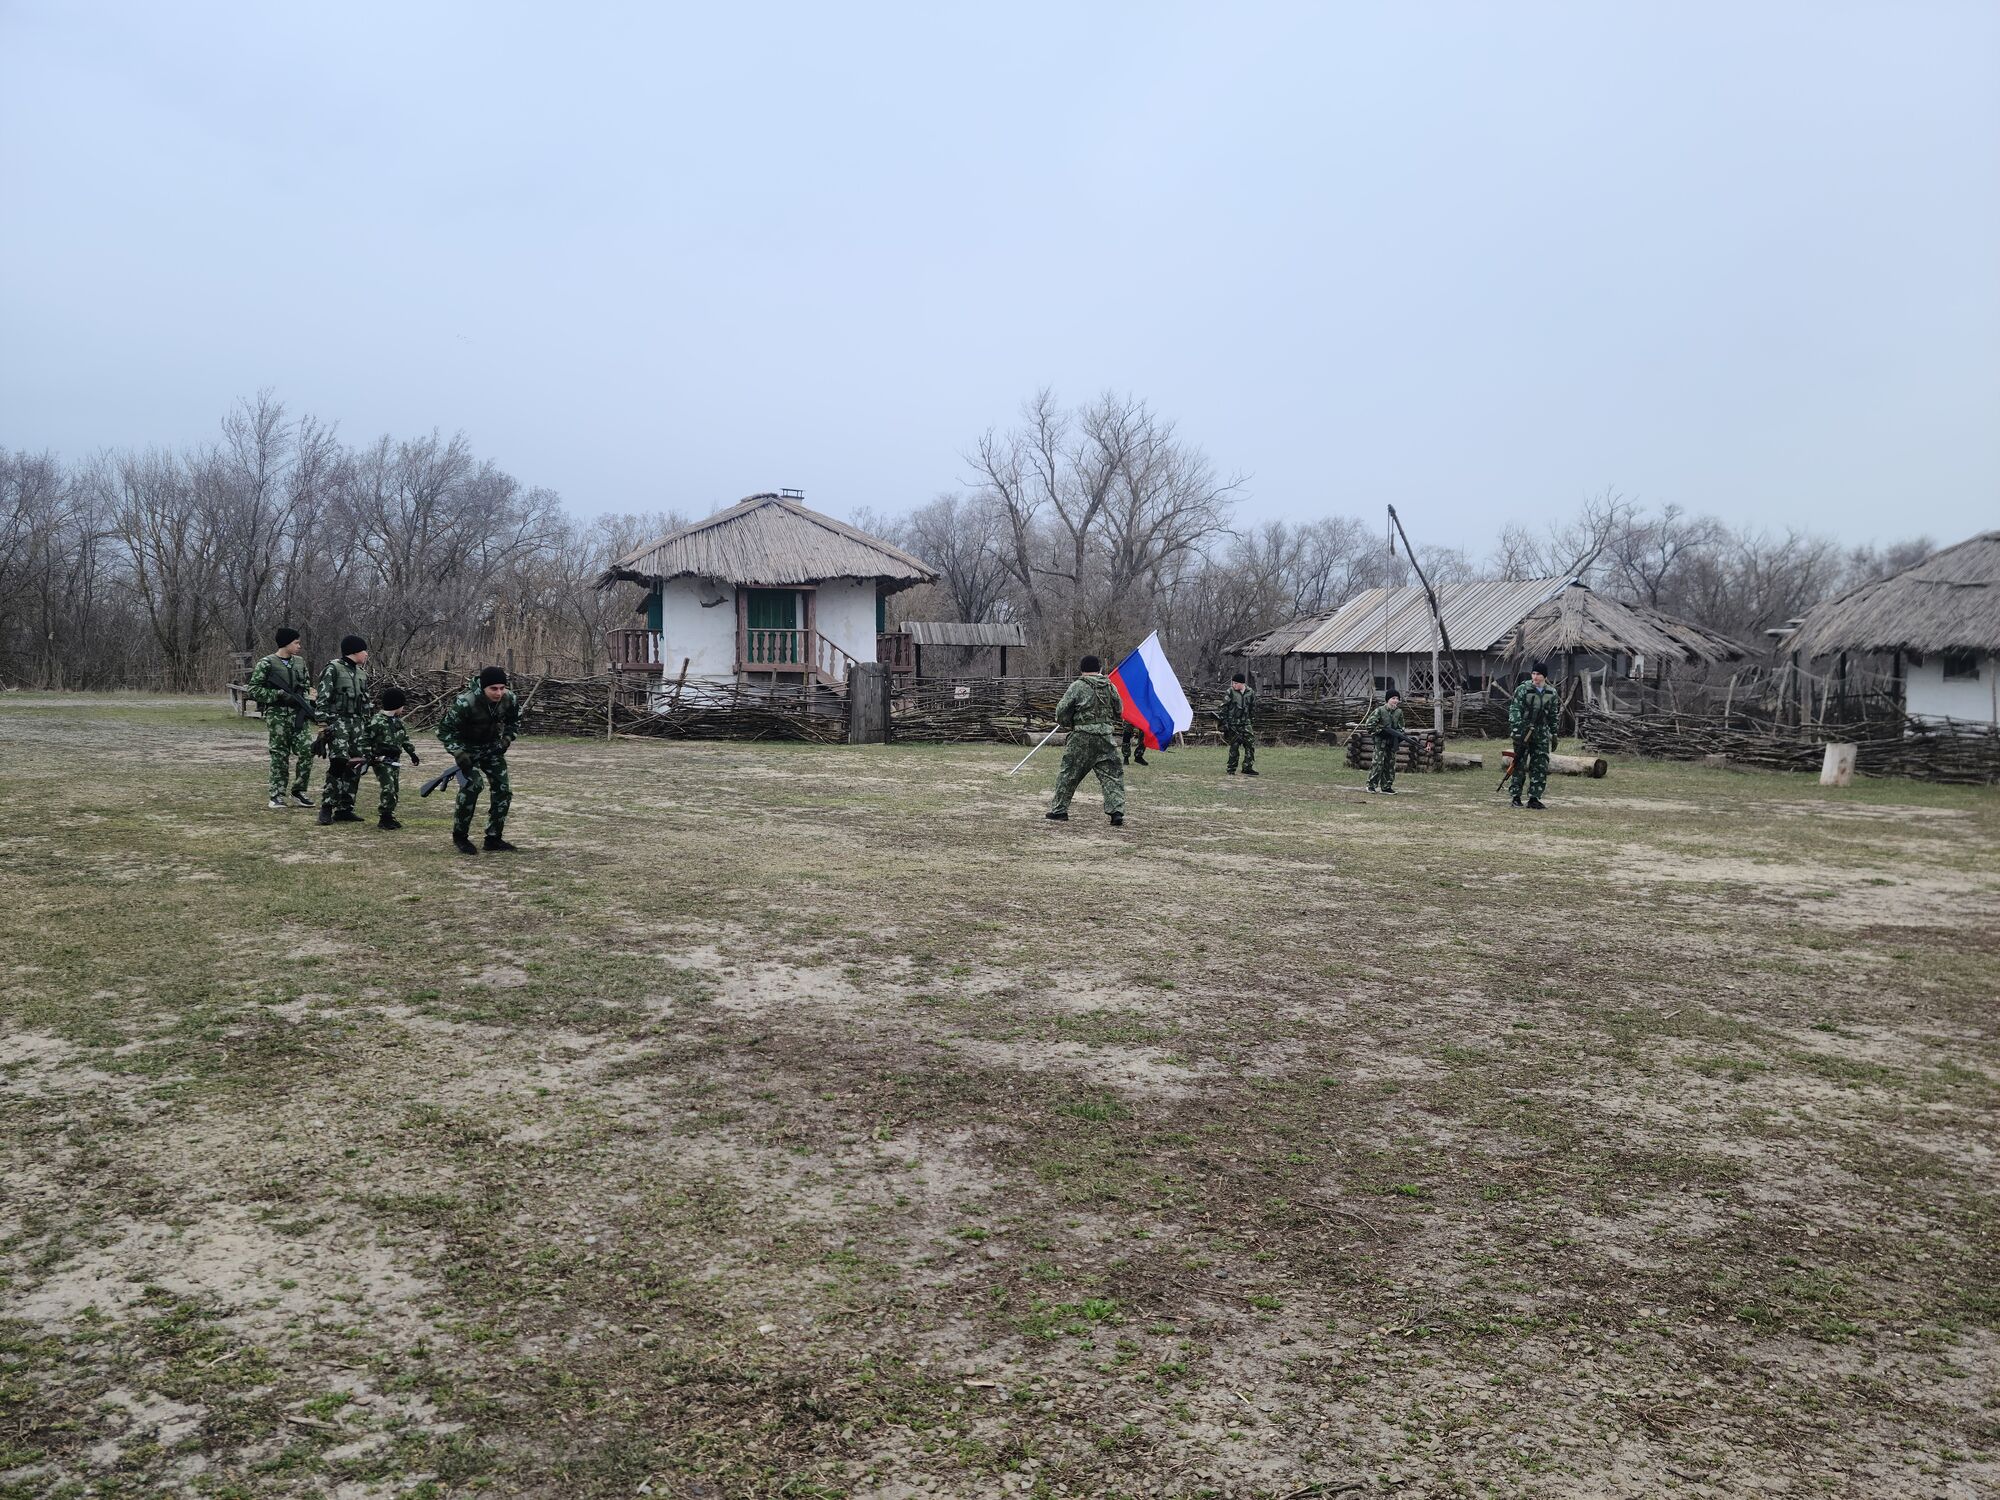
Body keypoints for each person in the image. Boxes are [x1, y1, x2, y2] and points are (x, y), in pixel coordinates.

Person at [437, 665, 522, 854]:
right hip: (467, 749)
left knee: (503, 790)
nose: (499, 692)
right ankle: (460, 836)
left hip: (492, 748)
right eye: (493, 688)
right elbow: (444, 730)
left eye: (502, 688)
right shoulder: (466, 702)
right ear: (483, 687)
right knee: (473, 786)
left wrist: (507, 739)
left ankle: (493, 838)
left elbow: (514, 721)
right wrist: (458, 753)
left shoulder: (509, 699)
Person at [1045, 654, 1126, 827]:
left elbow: (1061, 711)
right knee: (1112, 775)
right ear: (1099, 669)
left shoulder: (1077, 686)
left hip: (1081, 737)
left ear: (1082, 670)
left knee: (1069, 774)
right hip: (1105, 737)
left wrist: (1069, 722)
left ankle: (1059, 811)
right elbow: (1119, 709)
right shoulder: (1110, 686)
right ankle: (1116, 812)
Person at [247, 627, 316, 810]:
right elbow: (253, 690)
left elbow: (306, 686)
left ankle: (299, 791)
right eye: (296, 642)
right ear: (286, 643)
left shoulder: (300, 662)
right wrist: (278, 694)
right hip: (277, 716)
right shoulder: (266, 663)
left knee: (307, 751)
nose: (299, 646)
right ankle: (276, 795)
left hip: (299, 715)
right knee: (279, 755)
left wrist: (308, 701)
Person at [315, 635, 371, 826]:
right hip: (338, 721)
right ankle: (327, 807)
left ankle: (345, 808)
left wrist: (368, 726)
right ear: (354, 651)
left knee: (356, 763)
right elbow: (323, 696)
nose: (366, 654)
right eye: (364, 650)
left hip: (358, 724)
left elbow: (366, 702)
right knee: (338, 762)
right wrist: (323, 724)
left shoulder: (362, 673)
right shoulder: (333, 669)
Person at [364, 686, 420, 831]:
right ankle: (384, 817)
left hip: (395, 760)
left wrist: (412, 753)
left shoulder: (398, 722)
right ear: (396, 705)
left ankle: (390, 815)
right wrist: (369, 755)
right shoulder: (376, 721)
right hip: (381, 760)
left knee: (394, 788)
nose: (403, 709)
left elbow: (404, 739)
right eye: (402, 706)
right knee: (388, 788)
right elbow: (365, 739)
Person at [1508, 661, 1562, 809]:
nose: (1535, 676)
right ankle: (1516, 797)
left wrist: (1554, 733)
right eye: (1533, 673)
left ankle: (1534, 798)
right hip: (1523, 732)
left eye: (1538, 674)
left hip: (1541, 734)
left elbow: (1553, 715)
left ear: (1545, 676)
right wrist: (1517, 729)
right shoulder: (1523, 689)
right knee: (1519, 764)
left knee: (1540, 765)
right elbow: (1515, 709)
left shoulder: (1551, 693)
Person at [1361, 687, 1405, 794]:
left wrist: (1397, 735)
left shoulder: (1399, 712)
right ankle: (1371, 785)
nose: (1395, 701)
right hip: (1380, 742)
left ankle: (1386, 786)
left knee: (1390, 764)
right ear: (1387, 699)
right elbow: (1369, 725)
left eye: (1397, 698)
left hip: (1392, 742)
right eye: (1393, 698)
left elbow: (1401, 728)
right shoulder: (1380, 710)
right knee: (1378, 763)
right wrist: (1381, 732)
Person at [1218, 672, 1258, 775]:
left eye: (1236, 683)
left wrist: (1251, 721)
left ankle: (1247, 767)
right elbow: (1223, 708)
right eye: (1233, 683)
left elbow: (1253, 707)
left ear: (1242, 683)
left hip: (1246, 723)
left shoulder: (1250, 692)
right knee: (1234, 746)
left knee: (1250, 744)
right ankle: (1231, 769)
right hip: (1233, 724)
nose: (1234, 685)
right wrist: (1225, 722)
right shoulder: (1230, 692)